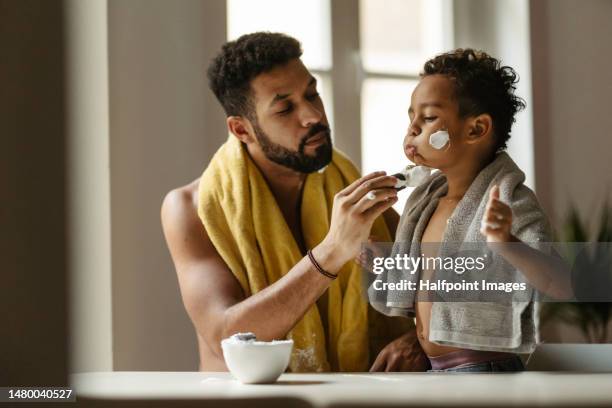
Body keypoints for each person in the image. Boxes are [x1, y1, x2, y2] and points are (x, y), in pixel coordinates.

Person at [161, 32, 427, 372]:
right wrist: (332, 251)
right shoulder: (188, 207)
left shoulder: (349, 188)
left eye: (312, 93)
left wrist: (419, 336)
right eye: (285, 107)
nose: (313, 115)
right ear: (242, 130)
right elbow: (225, 335)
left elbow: (454, 289)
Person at [368, 49, 573, 372]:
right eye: (411, 118)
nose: (412, 130)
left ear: (476, 129)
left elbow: (561, 284)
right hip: (435, 368)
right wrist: (381, 261)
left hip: (485, 369)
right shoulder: (426, 202)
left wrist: (507, 243)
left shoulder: (506, 201)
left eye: (429, 118)